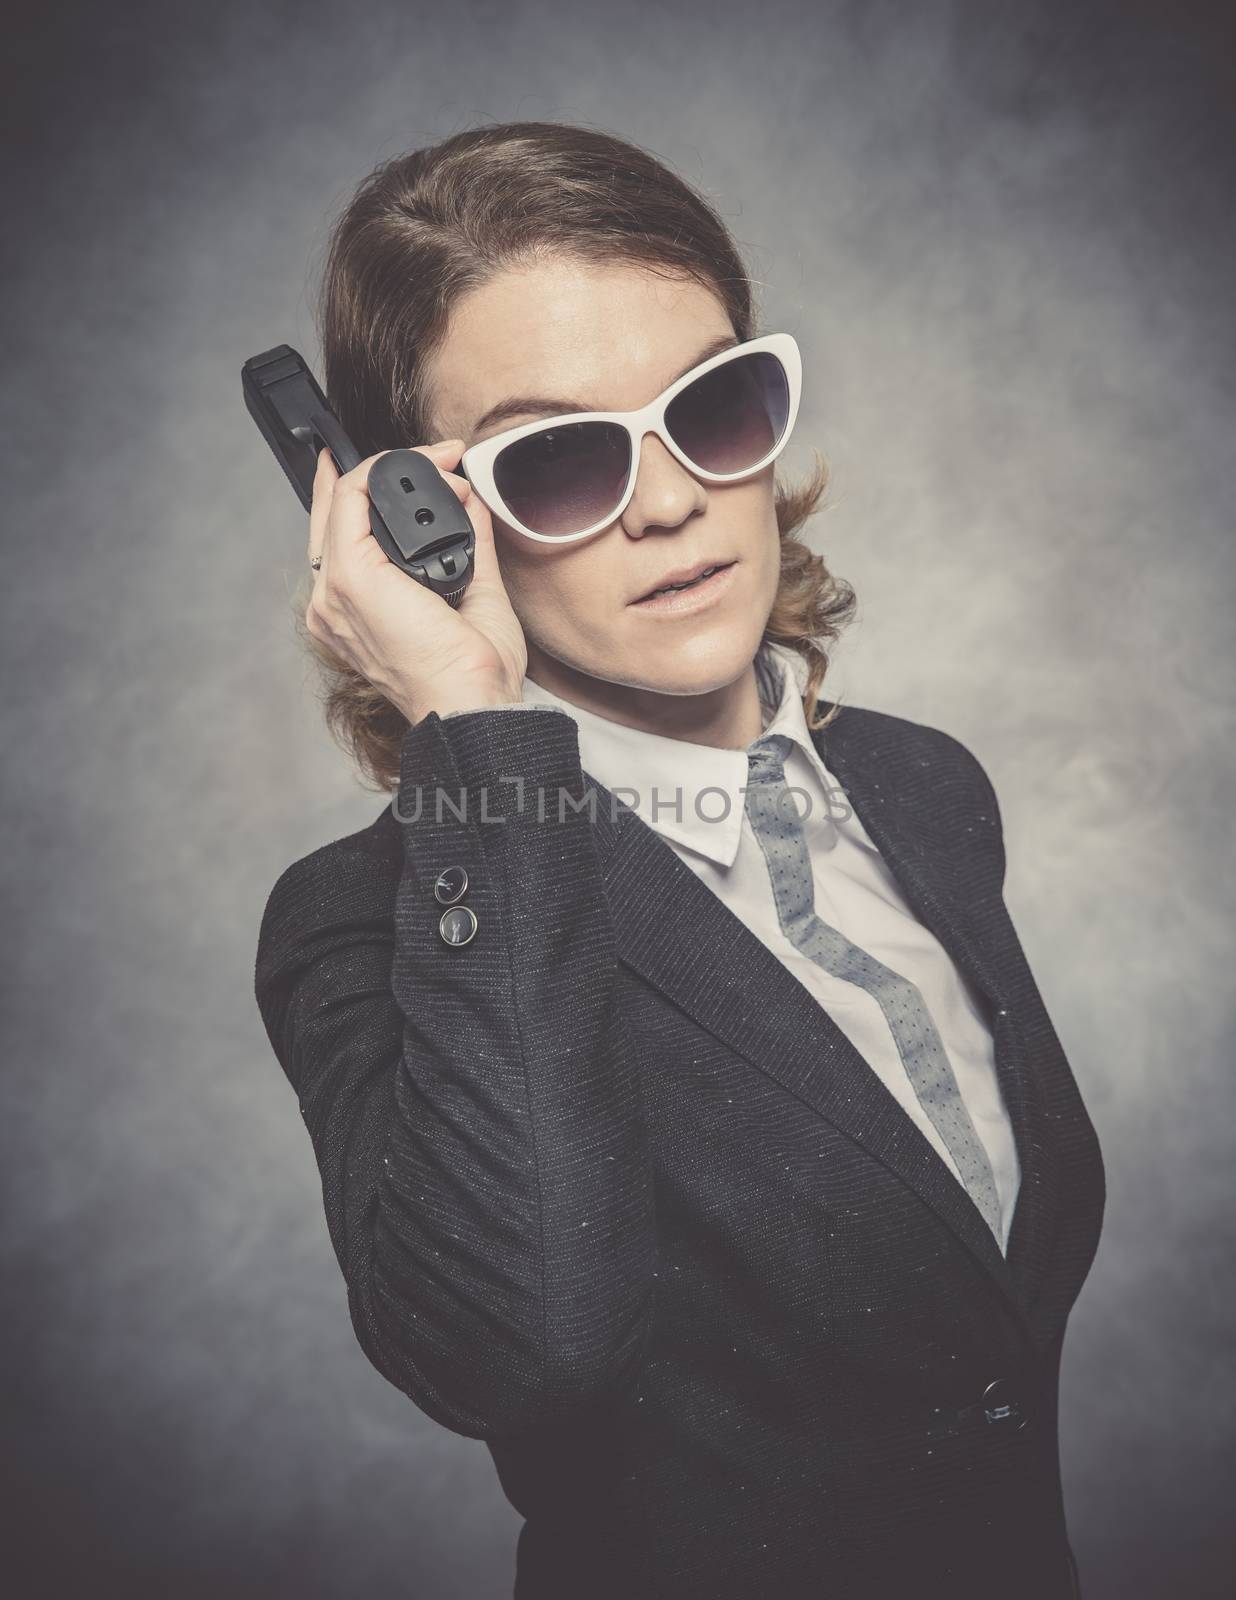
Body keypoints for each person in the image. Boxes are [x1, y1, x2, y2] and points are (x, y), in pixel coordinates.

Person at [253, 120, 1105, 1600]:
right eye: (561, 459)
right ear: (419, 514)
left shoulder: (921, 784)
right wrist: (468, 721)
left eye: (713, 410)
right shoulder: (365, 921)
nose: (667, 502)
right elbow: (530, 1344)